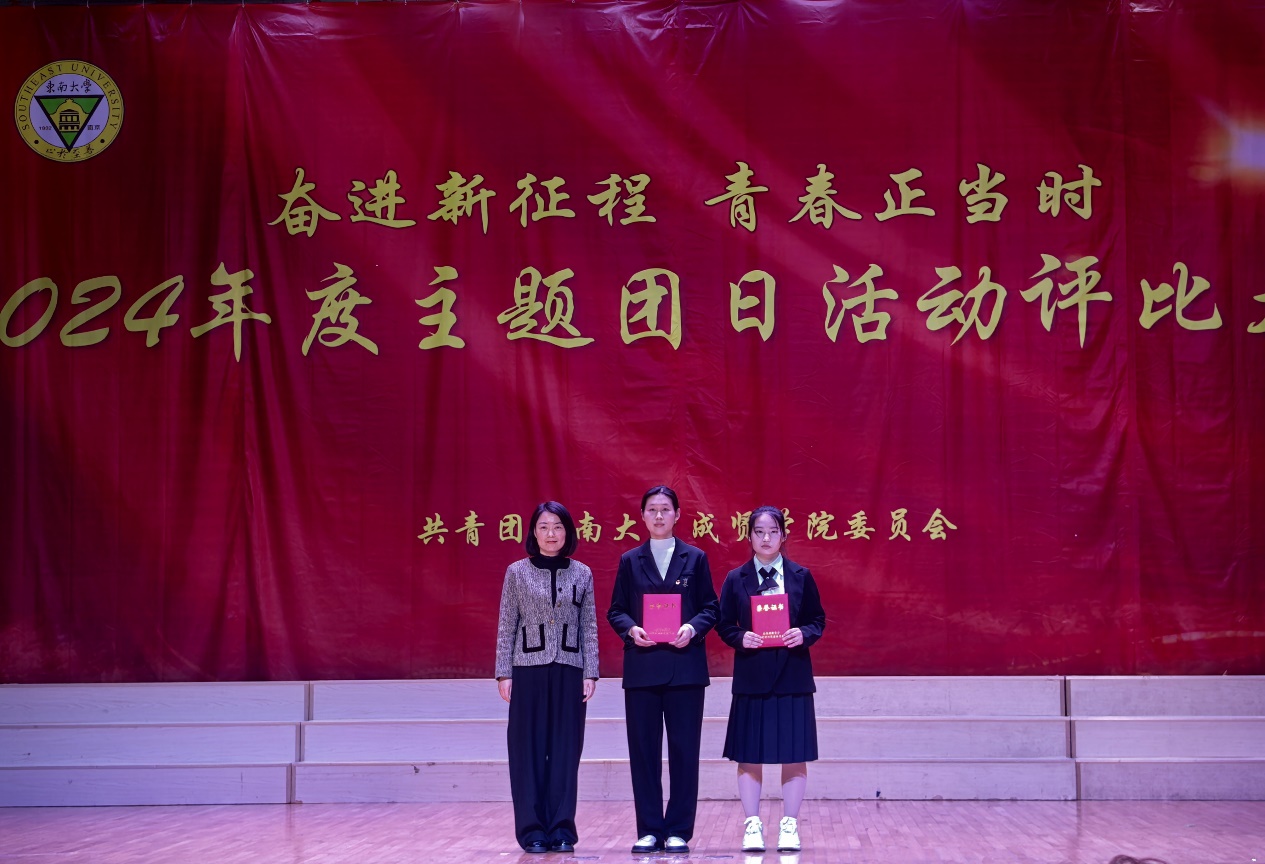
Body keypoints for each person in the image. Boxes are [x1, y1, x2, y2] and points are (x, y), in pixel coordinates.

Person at [607, 485, 720, 854]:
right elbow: (616, 610)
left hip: (685, 669)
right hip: (642, 669)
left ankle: (679, 830)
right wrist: (631, 629)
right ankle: (649, 829)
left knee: (685, 751)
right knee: (643, 753)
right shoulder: (630, 560)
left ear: (677, 515)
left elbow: (711, 607)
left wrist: (692, 628)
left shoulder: (695, 558)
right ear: (642, 516)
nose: (659, 516)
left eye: (665, 509)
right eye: (652, 509)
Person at [716, 505, 826, 853]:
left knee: (794, 753)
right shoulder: (736, 578)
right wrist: (740, 637)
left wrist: (803, 633)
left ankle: (789, 824)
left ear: (783, 536)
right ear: (749, 536)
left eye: (773, 531)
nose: (766, 538)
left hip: (793, 675)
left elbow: (817, 620)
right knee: (750, 754)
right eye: (759, 532)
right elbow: (723, 624)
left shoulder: (801, 576)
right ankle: (752, 825)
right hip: (752, 676)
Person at [495, 502, 599, 854]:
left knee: (566, 751)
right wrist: (503, 672)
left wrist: (591, 671)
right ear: (533, 532)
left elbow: (589, 625)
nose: (551, 533)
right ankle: (532, 830)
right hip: (528, 669)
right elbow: (507, 623)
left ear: (568, 532)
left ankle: (562, 830)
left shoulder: (582, 573)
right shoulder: (517, 572)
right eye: (543, 526)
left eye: (557, 526)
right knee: (527, 751)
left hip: (570, 669)